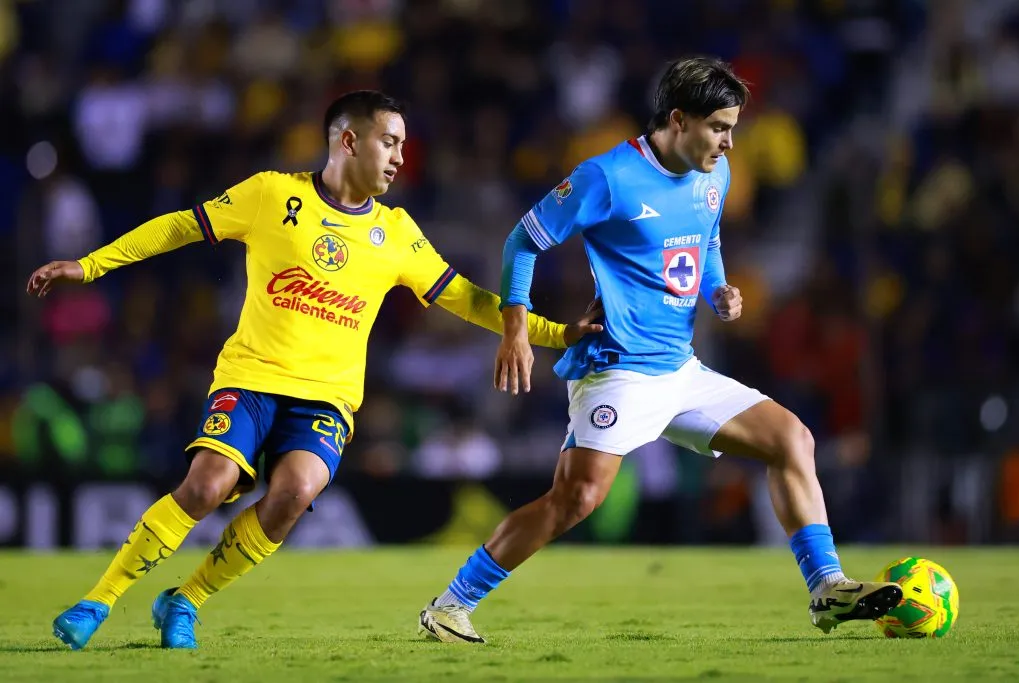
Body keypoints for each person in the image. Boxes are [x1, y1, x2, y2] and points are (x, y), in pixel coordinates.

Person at [29, 90, 602, 651]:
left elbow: (466, 298)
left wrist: (546, 332)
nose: (402, 156)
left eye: (404, 143)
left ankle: (187, 600)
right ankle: (98, 600)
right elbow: (181, 225)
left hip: (326, 398)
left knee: (295, 493)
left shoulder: (397, 233)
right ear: (349, 140)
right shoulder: (271, 195)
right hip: (251, 378)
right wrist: (90, 265)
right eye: (391, 141)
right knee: (208, 484)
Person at [418, 57, 902, 644]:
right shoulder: (608, 177)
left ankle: (827, 586)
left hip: (681, 368)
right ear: (678, 119)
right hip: (619, 370)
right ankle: (450, 604)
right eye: (719, 127)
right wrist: (515, 328)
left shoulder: (715, 173)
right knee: (575, 500)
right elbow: (524, 239)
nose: (728, 142)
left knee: (791, 438)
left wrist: (716, 288)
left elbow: (707, 237)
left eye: (732, 128)